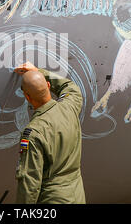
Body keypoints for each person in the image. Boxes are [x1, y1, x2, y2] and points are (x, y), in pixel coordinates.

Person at [13, 62, 86, 204]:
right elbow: (69, 86)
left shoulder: (33, 133)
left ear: (27, 97)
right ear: (48, 86)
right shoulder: (69, 107)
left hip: (53, 199)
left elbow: (29, 182)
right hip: (77, 195)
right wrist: (39, 71)